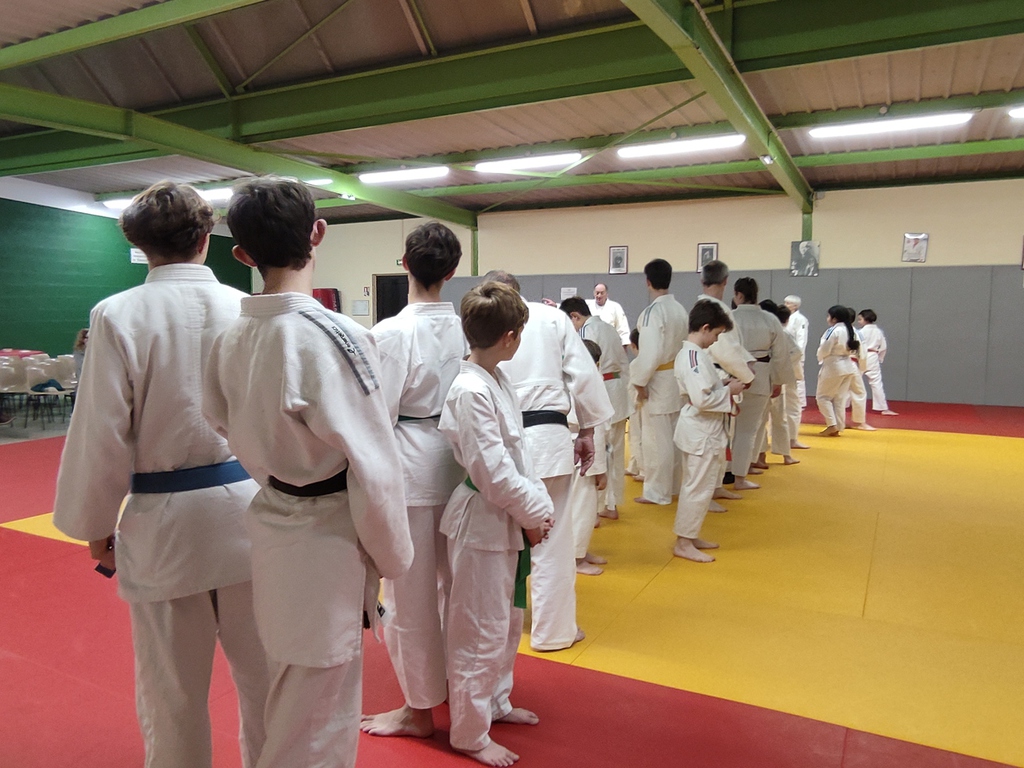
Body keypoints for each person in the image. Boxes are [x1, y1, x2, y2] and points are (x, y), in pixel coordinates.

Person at [52, 181, 270, 768]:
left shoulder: (117, 314)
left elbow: (101, 431)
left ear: (140, 245)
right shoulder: (247, 306)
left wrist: (95, 525)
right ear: (206, 239)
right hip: (255, 514)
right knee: (269, 685)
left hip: (166, 528)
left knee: (172, 696)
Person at [203, 177, 413, 768]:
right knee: (318, 711)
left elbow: (220, 422)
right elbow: (374, 463)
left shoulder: (228, 339)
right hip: (327, 536)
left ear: (242, 254)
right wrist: (392, 556)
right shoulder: (339, 337)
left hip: (272, 515)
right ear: (318, 233)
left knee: (284, 687)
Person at [439, 281, 554, 767]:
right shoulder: (470, 390)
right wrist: (535, 514)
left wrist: (537, 510)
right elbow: (493, 473)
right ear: (509, 337)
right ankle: (469, 733)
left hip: (505, 518)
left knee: (506, 623)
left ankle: (496, 702)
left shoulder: (495, 378)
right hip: (483, 523)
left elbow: (517, 459)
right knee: (478, 631)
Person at [360, 222, 467, 740]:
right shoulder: (467, 327)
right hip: (462, 464)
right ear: (453, 271)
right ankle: (468, 694)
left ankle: (419, 710)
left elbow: (376, 415)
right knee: (460, 589)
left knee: (410, 596)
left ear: (404, 264)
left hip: (411, 467)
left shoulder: (390, 333)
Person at [489, 271, 613, 653]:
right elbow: (583, 377)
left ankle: (491, 628)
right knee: (552, 541)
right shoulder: (551, 318)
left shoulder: (478, 320)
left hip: (496, 442)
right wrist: (587, 431)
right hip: (547, 439)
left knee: (496, 540)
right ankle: (554, 632)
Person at [673, 301, 746, 562]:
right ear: (705, 328)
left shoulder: (697, 356)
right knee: (696, 488)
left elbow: (704, 389)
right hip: (700, 430)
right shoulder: (692, 357)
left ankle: (690, 535)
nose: (716, 340)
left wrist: (722, 384)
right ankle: (683, 542)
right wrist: (729, 391)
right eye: (716, 334)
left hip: (703, 429)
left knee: (701, 487)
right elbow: (701, 399)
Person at [559, 296, 629, 521]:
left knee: (598, 450)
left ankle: (597, 507)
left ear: (574, 316)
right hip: (617, 389)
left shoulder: (585, 332)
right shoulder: (610, 328)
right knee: (614, 452)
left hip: (599, 389)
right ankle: (612, 503)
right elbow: (624, 363)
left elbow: (583, 368)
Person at [693, 260, 755, 503]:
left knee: (722, 437)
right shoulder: (712, 308)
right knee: (714, 438)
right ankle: (708, 490)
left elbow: (733, 347)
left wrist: (746, 364)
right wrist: (746, 375)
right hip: (718, 374)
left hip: (723, 373)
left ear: (702, 280)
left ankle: (716, 484)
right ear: (726, 281)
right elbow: (725, 350)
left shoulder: (709, 306)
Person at [630, 259, 688, 505]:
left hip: (658, 380)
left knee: (656, 439)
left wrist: (639, 382)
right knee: (673, 437)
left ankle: (657, 492)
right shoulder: (680, 309)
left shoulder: (652, 312)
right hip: (677, 377)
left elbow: (650, 353)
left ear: (648, 282)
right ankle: (673, 486)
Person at [728, 278, 793, 491]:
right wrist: (778, 381)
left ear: (738, 295)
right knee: (748, 431)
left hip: (730, 376)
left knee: (726, 430)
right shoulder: (770, 319)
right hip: (761, 376)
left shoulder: (729, 317)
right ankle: (740, 477)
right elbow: (781, 354)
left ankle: (724, 473)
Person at [566, 338, 609, 575]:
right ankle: (575, 557)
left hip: (571, 450)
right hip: (584, 456)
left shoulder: (566, 382)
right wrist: (599, 469)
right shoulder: (587, 386)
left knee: (579, 506)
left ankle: (580, 551)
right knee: (582, 506)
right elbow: (595, 432)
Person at [755, 301, 801, 466]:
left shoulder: (780, 333)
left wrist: (779, 371)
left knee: (776, 418)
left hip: (772, 379)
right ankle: (761, 456)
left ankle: (783, 454)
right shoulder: (764, 332)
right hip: (764, 379)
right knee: (764, 420)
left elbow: (796, 352)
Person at [816, 305, 860, 436]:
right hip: (848, 365)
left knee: (823, 397)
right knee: (839, 399)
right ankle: (839, 426)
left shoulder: (833, 330)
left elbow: (825, 349)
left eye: (828, 316)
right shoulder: (851, 330)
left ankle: (832, 425)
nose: (827, 318)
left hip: (834, 365)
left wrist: (820, 357)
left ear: (834, 318)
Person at [857, 309, 898, 415]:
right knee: (876, 382)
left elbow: (856, 345)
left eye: (860, 319)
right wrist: (880, 358)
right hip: (873, 356)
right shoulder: (878, 331)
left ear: (866, 319)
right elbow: (883, 347)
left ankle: (844, 405)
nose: (858, 321)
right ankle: (883, 407)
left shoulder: (860, 332)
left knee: (854, 381)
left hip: (861, 356)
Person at [782, 295, 810, 449]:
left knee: (793, 396)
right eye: (785, 302)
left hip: (793, 358)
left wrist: (799, 356)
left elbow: (801, 340)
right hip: (786, 361)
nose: (786, 304)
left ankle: (790, 439)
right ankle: (789, 439)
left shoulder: (800, 319)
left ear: (795, 306)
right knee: (787, 403)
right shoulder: (781, 328)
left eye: (789, 303)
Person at [624, 327, 645, 481]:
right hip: (639, 404)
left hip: (638, 404)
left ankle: (643, 470)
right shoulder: (646, 362)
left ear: (633, 346)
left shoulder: (637, 363)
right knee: (635, 436)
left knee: (638, 437)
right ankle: (634, 466)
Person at [587, 282, 631, 347]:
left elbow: (622, 327)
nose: (599, 296)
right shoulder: (587, 305)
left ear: (606, 294)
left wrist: (624, 345)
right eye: (597, 293)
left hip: (610, 344)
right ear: (594, 293)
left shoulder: (615, 307)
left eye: (602, 293)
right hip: (591, 344)